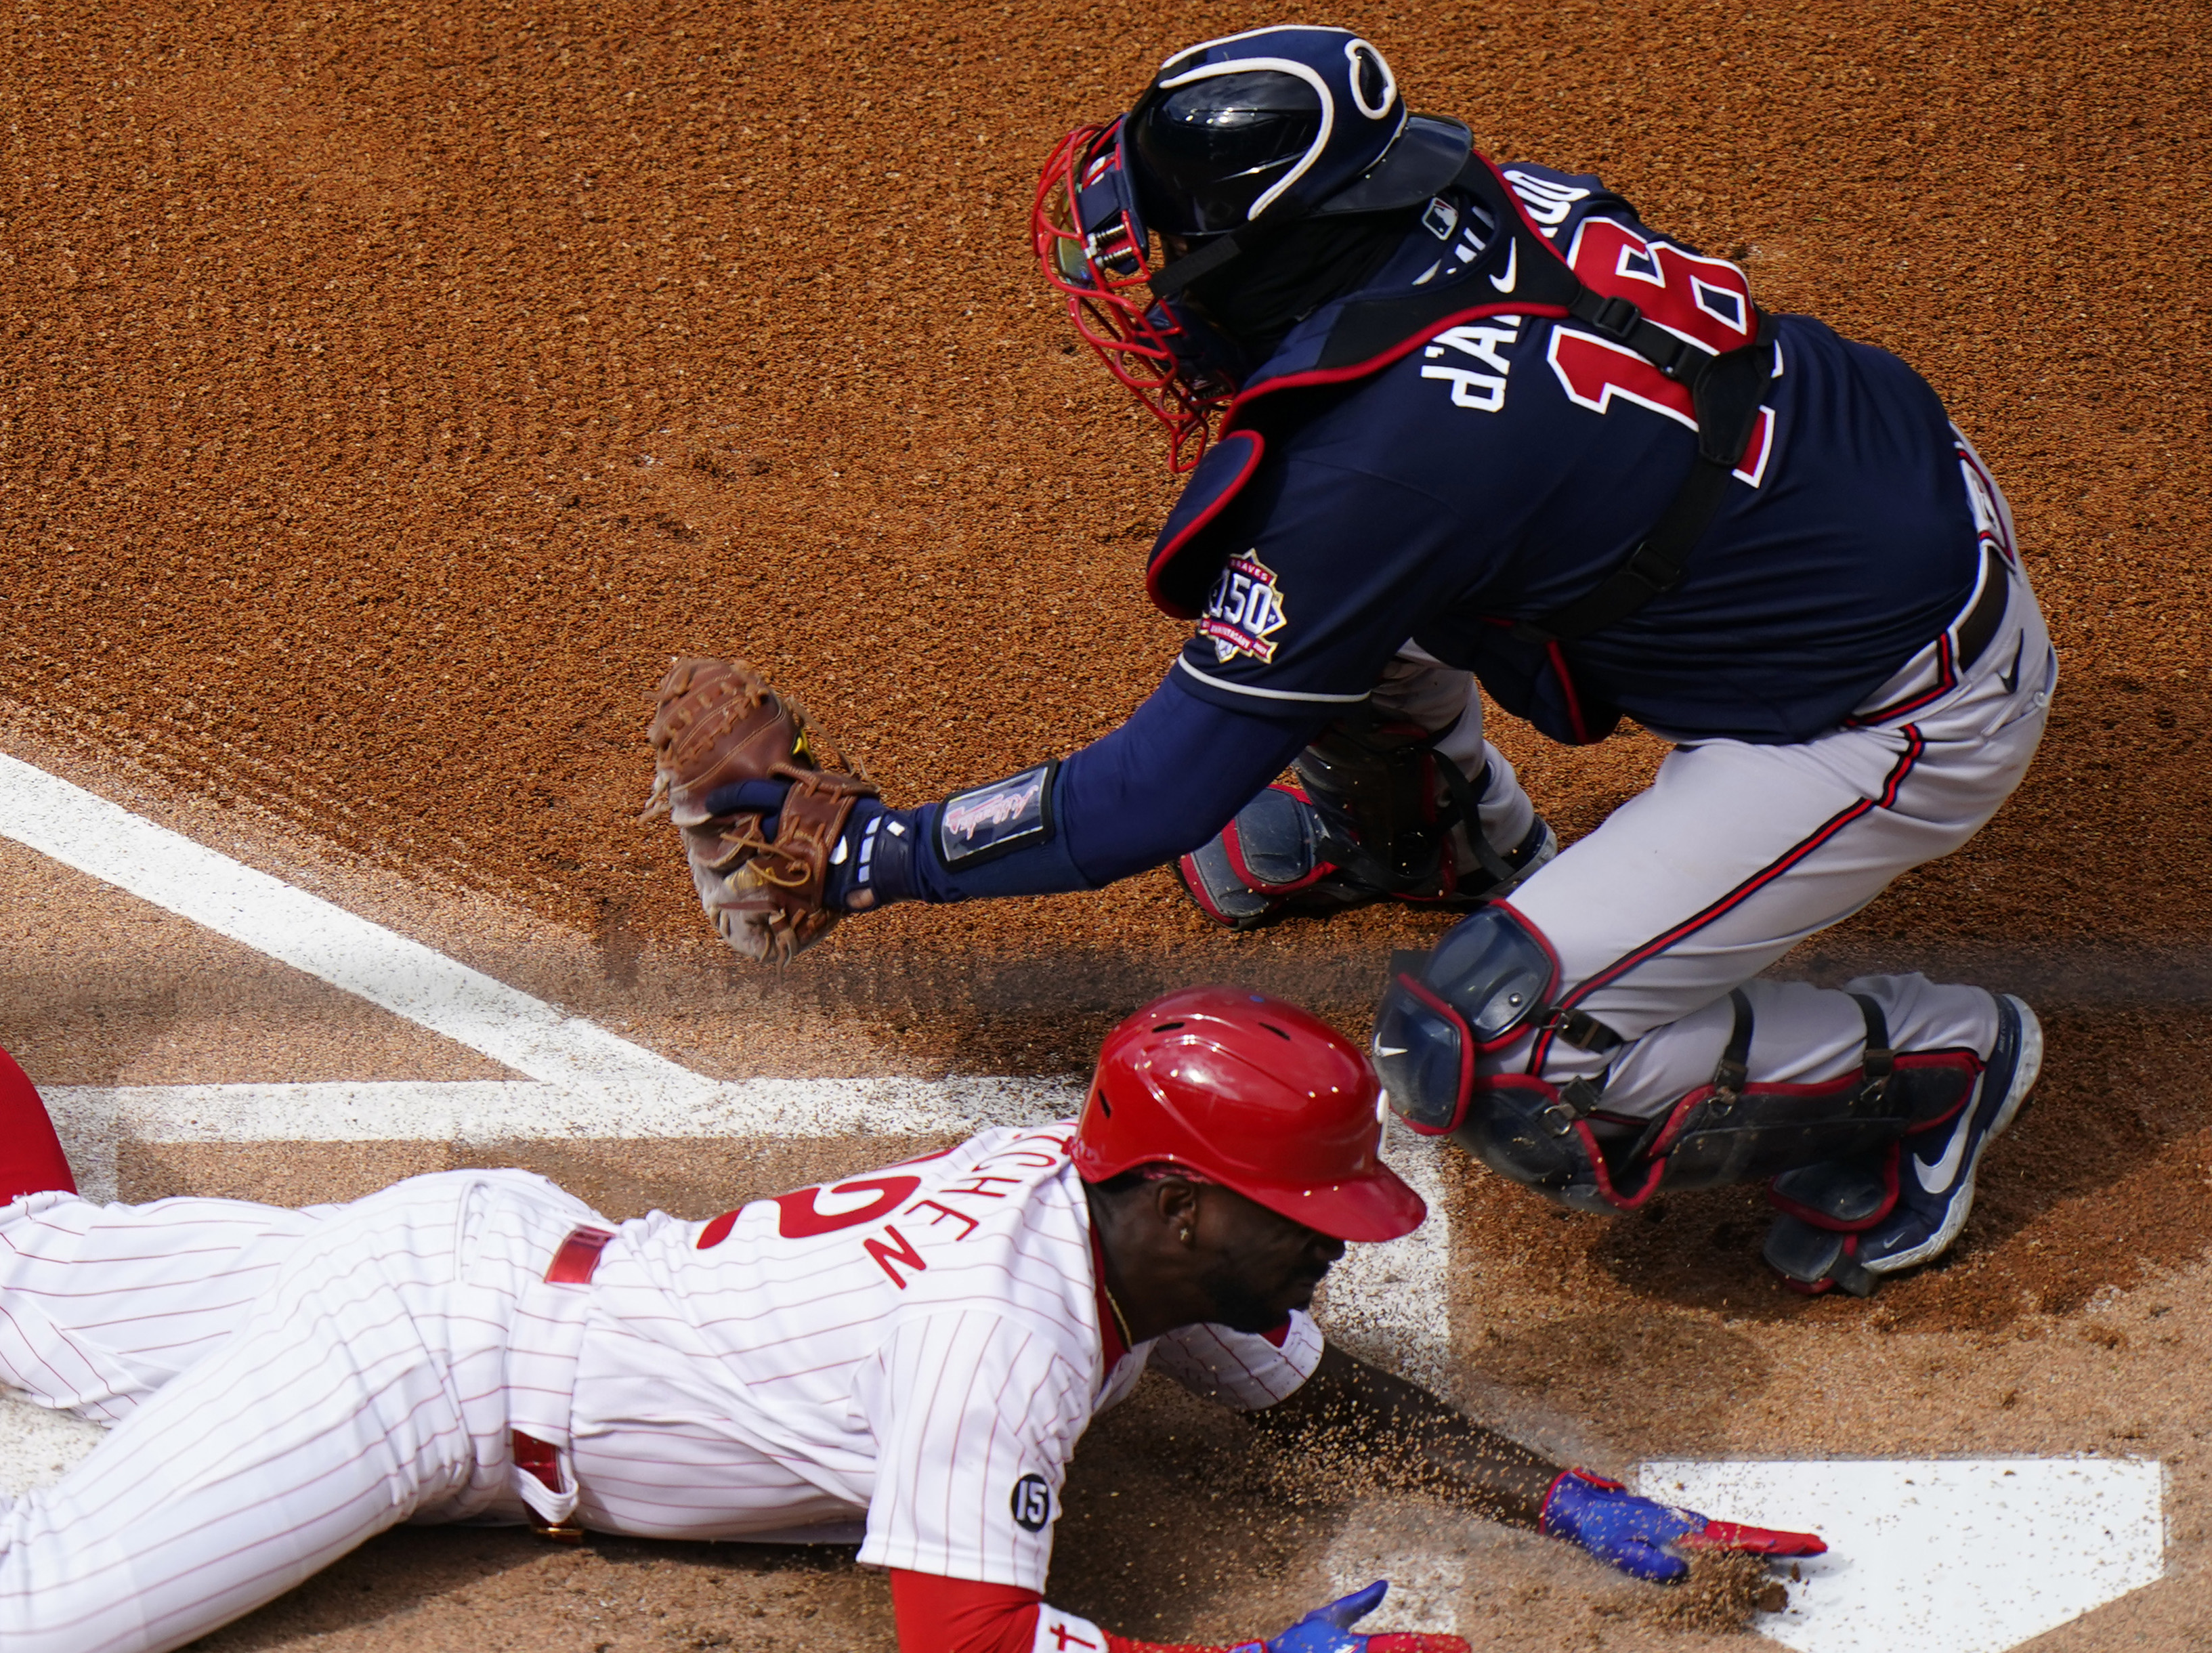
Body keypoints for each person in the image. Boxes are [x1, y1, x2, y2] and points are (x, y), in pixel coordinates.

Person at [0, 764, 1817, 1653]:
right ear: (1178, 1203)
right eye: (1301, 1219)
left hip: (481, 1261)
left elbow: (1302, 1365)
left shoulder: (1091, 1199)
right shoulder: (1002, 1343)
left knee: (13, 1276)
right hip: (438, 1368)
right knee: (13, 1614)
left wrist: (1551, 1487)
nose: (1326, 1248)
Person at [660, 25, 2054, 1297]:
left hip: (1885, 709)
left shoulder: (1388, 466)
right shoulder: (1486, 205)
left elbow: (1154, 796)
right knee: (1338, 594)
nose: (1141, 279)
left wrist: (864, 856)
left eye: (1168, 249)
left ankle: (1926, 1078)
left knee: (1486, 1052)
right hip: (1868, 500)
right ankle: (1408, 822)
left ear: (1277, 249)